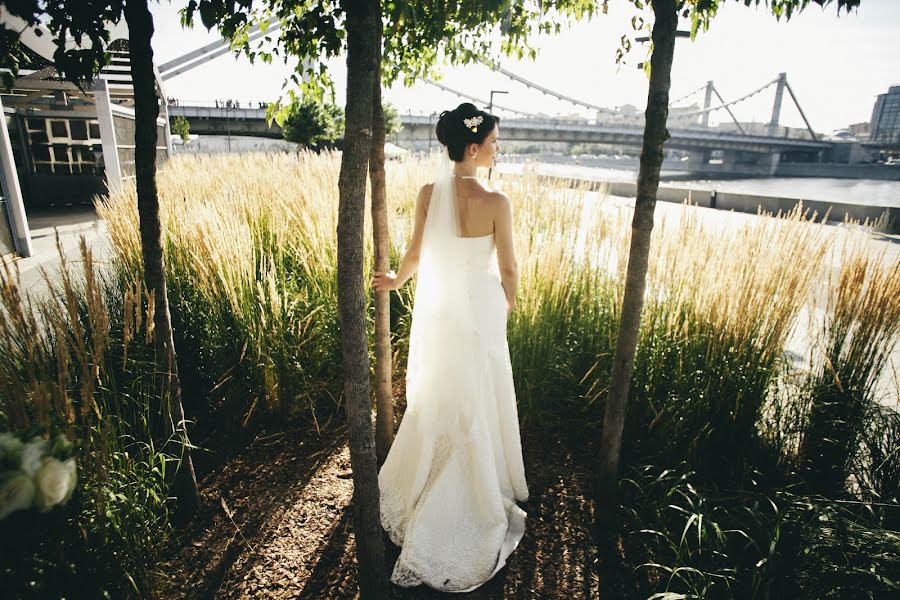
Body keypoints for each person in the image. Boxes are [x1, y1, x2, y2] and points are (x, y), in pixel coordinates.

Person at [373, 102, 529, 593]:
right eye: (495, 142)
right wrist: (510, 304)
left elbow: (417, 251)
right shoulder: (497, 202)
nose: (498, 149)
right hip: (479, 311)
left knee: (440, 392)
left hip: (442, 313)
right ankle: (472, 489)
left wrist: (396, 280)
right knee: (478, 397)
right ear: (474, 147)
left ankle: (428, 480)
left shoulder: (427, 193)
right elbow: (507, 271)